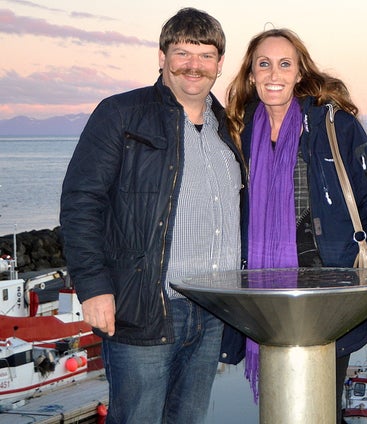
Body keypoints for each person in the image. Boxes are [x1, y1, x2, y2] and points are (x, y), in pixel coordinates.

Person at [59, 8, 245, 424]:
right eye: (182, 53)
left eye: (205, 55)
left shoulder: (228, 127)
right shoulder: (120, 114)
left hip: (214, 310)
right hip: (145, 307)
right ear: (162, 57)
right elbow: (81, 201)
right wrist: (93, 288)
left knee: (189, 419)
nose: (193, 65)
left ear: (219, 64)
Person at [225, 28, 367, 420]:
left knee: (320, 402)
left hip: (328, 291)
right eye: (265, 64)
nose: (275, 73)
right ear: (251, 74)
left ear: (299, 72)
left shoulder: (333, 126)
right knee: (282, 403)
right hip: (262, 291)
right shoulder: (237, 131)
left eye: (285, 64)